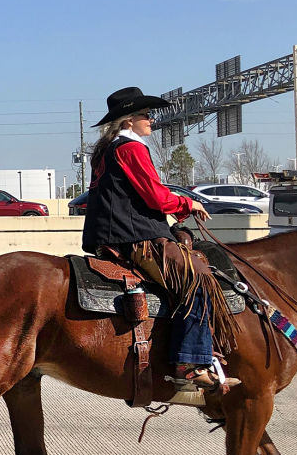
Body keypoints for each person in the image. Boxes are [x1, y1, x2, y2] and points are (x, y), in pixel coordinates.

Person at [81, 86, 238, 392]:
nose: (151, 120)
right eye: (146, 115)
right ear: (128, 121)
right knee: (198, 278)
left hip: (114, 233)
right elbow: (154, 196)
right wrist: (187, 203)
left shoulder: (107, 149)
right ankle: (190, 364)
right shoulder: (131, 148)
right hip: (135, 237)